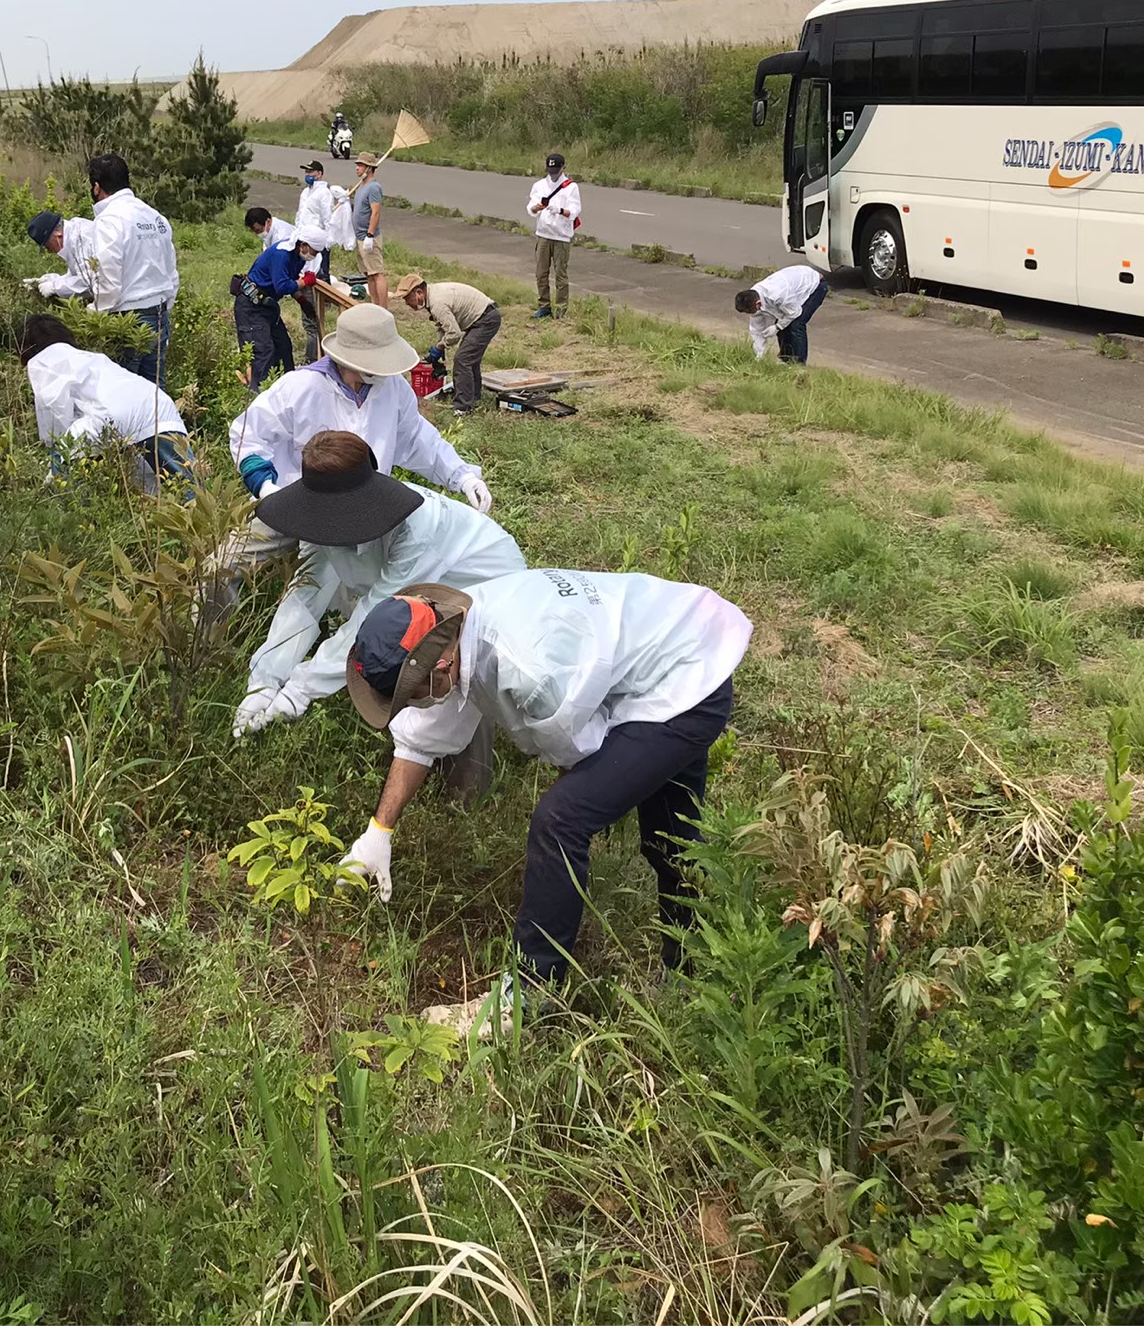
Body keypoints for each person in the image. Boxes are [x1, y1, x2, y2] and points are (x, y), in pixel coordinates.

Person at [341, 570, 752, 1026]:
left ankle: (528, 996)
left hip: (686, 679)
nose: (415, 706)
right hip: (677, 637)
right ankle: (687, 973)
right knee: (671, 842)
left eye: (413, 695)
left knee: (562, 821)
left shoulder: (528, 669)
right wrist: (378, 832)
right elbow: (422, 737)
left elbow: (583, 754)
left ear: (440, 668)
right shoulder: (459, 629)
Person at [233, 430, 526, 739]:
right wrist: (265, 680)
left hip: (485, 586)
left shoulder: (417, 529)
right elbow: (306, 593)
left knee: (449, 670)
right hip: (416, 590)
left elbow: (374, 612)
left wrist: (301, 690)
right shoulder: (318, 517)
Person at [226, 302, 492, 566]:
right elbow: (248, 436)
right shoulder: (300, 388)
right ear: (347, 359)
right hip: (294, 505)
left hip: (363, 516)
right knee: (223, 566)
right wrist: (266, 488)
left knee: (359, 588)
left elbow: (416, 439)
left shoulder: (393, 389)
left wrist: (461, 476)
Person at [19, 313, 194, 494]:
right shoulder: (89, 357)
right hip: (158, 406)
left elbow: (54, 412)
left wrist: (57, 455)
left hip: (111, 415)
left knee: (63, 467)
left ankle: (74, 516)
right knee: (189, 486)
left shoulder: (41, 361)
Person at [86, 152, 180, 383]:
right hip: (159, 314)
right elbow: (172, 272)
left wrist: (92, 314)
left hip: (128, 321)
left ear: (97, 187)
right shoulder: (155, 217)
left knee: (124, 395)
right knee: (155, 395)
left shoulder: (109, 220)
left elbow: (107, 278)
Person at [398, 272, 501, 414]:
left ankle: (463, 407)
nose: (407, 304)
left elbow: (454, 334)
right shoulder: (432, 296)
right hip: (483, 316)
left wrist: (439, 346)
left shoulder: (437, 303)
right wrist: (439, 343)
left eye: (408, 299)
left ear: (419, 292)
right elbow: (442, 325)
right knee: (470, 360)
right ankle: (473, 396)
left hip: (486, 320)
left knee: (463, 360)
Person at [237, 226, 328, 387]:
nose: (313, 256)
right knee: (263, 352)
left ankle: (288, 389)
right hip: (251, 307)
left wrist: (302, 301)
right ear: (304, 245)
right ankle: (258, 394)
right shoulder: (282, 254)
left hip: (268, 306)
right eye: (313, 252)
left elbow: (290, 280)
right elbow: (283, 286)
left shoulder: (298, 257)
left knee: (283, 347)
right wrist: (304, 282)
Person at [736, 264, 831, 363]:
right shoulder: (752, 297)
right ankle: (785, 359)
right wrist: (760, 355)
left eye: (751, 311)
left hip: (815, 285)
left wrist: (777, 327)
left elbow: (795, 312)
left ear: (758, 304)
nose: (752, 314)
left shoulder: (778, 295)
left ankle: (798, 364)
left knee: (796, 324)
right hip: (793, 288)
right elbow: (756, 330)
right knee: (783, 322)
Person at [527, 152, 580, 319]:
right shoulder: (539, 185)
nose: (553, 174)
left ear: (563, 168)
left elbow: (575, 210)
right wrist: (536, 208)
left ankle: (561, 307)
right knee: (541, 272)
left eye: (556, 170)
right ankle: (544, 305)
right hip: (543, 234)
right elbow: (530, 207)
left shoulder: (571, 187)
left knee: (560, 273)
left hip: (561, 236)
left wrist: (560, 211)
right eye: (551, 170)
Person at [25, 210, 95, 300]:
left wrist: (54, 287)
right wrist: (54, 279)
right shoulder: (72, 233)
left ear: (57, 235)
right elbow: (78, 273)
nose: (50, 251)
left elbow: (88, 281)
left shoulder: (79, 239)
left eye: (48, 246)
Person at [295, 160, 347, 282]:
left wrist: (327, 239)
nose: (307, 174)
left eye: (310, 172)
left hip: (317, 237)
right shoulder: (305, 192)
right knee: (305, 271)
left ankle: (325, 300)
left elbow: (327, 218)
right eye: (306, 172)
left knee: (321, 272)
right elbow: (300, 213)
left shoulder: (324, 193)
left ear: (319, 174)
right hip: (303, 236)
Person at [350, 150, 387, 308]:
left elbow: (376, 212)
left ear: (369, 168)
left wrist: (370, 235)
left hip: (368, 236)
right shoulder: (361, 187)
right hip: (359, 236)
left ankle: (383, 308)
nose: (357, 168)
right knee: (368, 273)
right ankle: (374, 304)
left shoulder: (374, 187)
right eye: (357, 164)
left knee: (377, 273)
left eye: (361, 165)